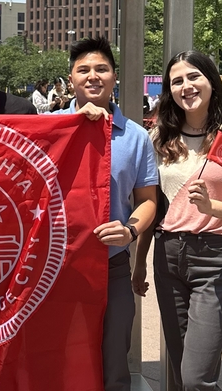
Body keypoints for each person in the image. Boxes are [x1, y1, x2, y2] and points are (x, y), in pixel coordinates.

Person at [150, 50, 222, 391]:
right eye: (176, 81)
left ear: (212, 82)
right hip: (168, 256)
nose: (186, 86)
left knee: (196, 378)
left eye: (193, 77)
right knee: (179, 367)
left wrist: (213, 207)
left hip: (217, 260)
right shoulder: (161, 138)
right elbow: (150, 203)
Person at [54, 37, 160, 391]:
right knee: (56, 357)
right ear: (71, 79)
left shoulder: (136, 137)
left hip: (111, 264)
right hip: (56, 266)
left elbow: (148, 199)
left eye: (101, 69)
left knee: (114, 361)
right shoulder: (47, 129)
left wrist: (130, 230)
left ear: (114, 76)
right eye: (83, 70)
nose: (92, 76)